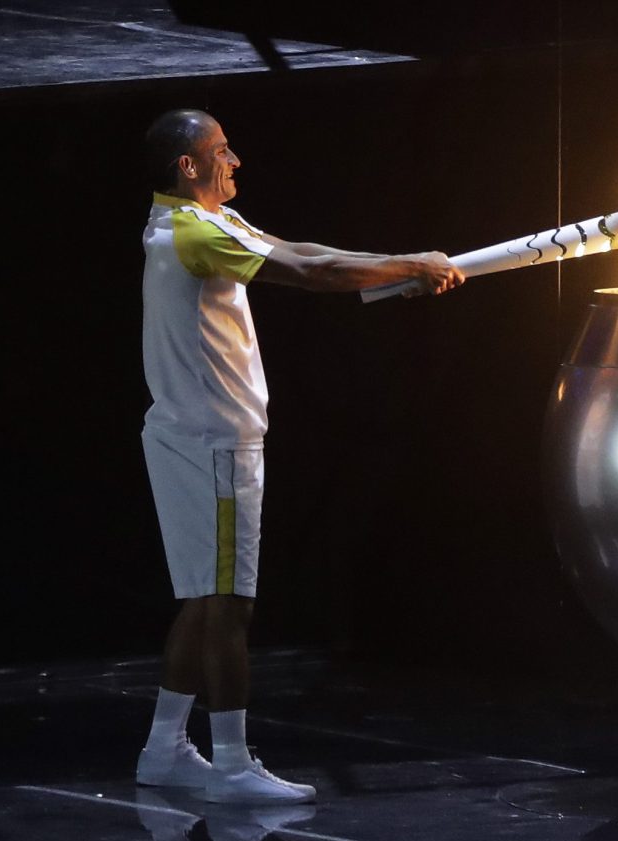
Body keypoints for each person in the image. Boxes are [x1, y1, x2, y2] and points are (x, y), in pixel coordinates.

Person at [134, 109, 464, 805]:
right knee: (228, 603)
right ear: (188, 166)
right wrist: (414, 262)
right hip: (212, 443)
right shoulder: (192, 233)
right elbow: (310, 272)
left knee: (205, 597)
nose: (237, 160)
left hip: (197, 437)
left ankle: (163, 750)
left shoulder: (200, 222)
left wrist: (396, 270)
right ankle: (230, 764)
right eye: (221, 151)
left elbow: (303, 247)